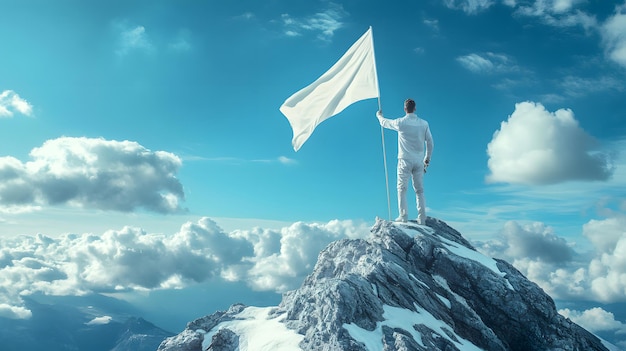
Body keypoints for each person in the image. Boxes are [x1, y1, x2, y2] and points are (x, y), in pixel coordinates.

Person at [377, 98, 434, 225]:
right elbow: (430, 142)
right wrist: (427, 159)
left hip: (404, 160)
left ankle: (403, 215)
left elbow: (385, 123)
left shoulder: (401, 122)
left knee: (401, 188)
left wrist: (379, 116)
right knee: (419, 190)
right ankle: (422, 218)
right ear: (415, 108)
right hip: (419, 161)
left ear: (405, 109)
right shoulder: (424, 124)